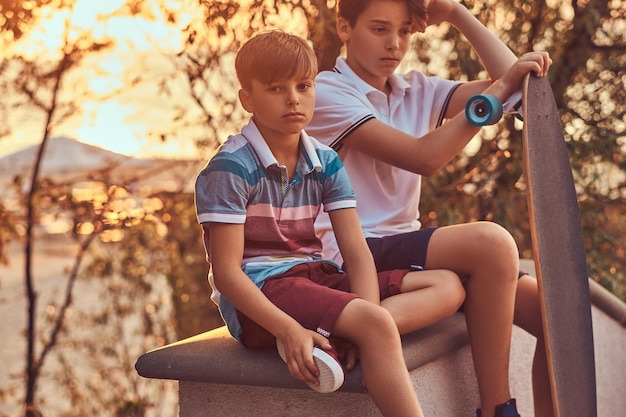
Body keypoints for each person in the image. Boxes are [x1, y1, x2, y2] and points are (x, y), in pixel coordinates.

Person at [194, 29, 465, 417]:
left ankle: (351, 340)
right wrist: (288, 330)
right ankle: (361, 341)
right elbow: (227, 274)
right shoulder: (231, 167)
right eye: (275, 89)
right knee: (375, 322)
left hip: (314, 276)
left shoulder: (324, 160)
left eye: (304, 86)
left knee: (446, 285)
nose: (293, 98)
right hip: (262, 296)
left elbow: (356, 252)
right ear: (247, 99)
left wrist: (369, 326)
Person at [306, 1, 554, 417]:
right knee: (492, 244)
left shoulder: (416, 90)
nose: (394, 44)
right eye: (380, 29)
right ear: (344, 27)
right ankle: (497, 409)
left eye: (404, 31)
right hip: (352, 254)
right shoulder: (328, 92)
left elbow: (519, 87)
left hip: (403, 248)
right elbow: (424, 157)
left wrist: (458, 14)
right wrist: (489, 99)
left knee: (553, 315)